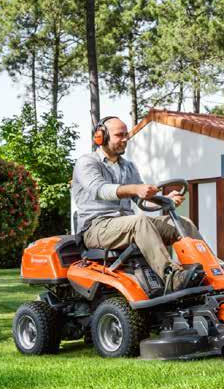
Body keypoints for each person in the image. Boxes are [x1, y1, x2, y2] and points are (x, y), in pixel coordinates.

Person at [72, 116, 208, 291]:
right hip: (95, 228)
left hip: (126, 225)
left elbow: (141, 200)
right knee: (139, 221)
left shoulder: (128, 167)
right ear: (101, 137)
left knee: (182, 223)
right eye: (119, 135)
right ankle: (172, 277)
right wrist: (135, 188)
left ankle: (212, 270)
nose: (125, 139)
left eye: (126, 135)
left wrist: (167, 199)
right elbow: (101, 190)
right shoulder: (87, 162)